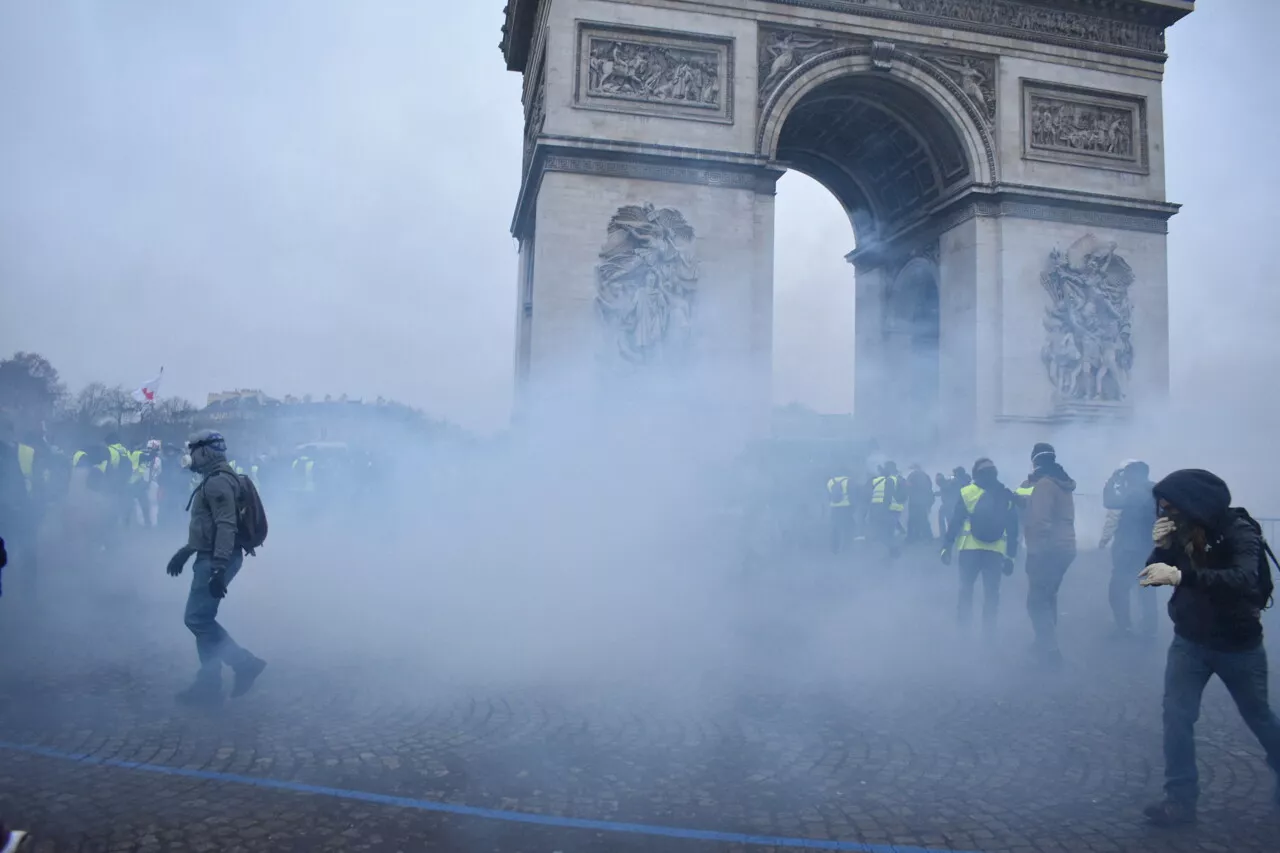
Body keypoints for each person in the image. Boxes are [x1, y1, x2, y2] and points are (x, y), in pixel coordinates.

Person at [1138, 469, 1280, 826]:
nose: (1165, 512)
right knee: (1176, 717)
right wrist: (1162, 548)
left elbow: (1244, 578)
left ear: (1192, 504)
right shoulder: (1181, 528)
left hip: (1237, 644)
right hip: (1190, 639)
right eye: (1161, 507)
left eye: (1170, 506)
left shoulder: (1239, 530)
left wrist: (1184, 576)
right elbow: (1152, 574)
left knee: (1259, 717)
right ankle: (1179, 801)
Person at [165, 430, 266, 706]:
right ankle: (208, 684)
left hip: (216, 558)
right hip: (211, 556)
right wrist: (185, 552)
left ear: (205, 452)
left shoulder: (217, 483)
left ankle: (244, 664)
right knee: (203, 619)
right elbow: (206, 526)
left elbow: (225, 526)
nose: (191, 457)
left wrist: (219, 568)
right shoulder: (216, 479)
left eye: (194, 450)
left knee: (197, 619)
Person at [939, 458, 1019, 636]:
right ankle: (989, 633)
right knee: (992, 594)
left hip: (969, 550)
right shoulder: (1006, 495)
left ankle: (963, 631)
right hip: (995, 552)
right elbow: (1013, 528)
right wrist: (1011, 557)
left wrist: (946, 546)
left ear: (976, 473)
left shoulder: (967, 492)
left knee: (965, 590)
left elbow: (956, 521)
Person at [1020, 442, 1076, 666]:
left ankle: (1050, 651)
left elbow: (1040, 521)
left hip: (1047, 549)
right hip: (1065, 548)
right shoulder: (1061, 482)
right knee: (1048, 596)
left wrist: (1035, 551)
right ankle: (1042, 641)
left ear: (1035, 461)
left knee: (1036, 601)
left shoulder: (1044, 485)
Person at [1103, 459, 1157, 640]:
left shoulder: (1135, 493)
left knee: (1117, 590)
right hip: (1149, 549)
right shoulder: (1156, 491)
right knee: (1147, 590)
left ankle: (1124, 628)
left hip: (1129, 550)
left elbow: (1109, 501)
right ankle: (1150, 628)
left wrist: (1111, 480)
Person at [904, 463, 935, 544]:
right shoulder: (926, 476)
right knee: (923, 519)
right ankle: (928, 537)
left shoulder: (912, 475)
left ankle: (911, 537)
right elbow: (929, 488)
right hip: (923, 501)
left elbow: (907, 485)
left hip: (914, 501)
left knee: (912, 519)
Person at [827, 471, 855, 554]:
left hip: (834, 509)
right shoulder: (849, 481)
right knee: (848, 528)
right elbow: (853, 495)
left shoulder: (830, 482)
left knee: (835, 528)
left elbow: (829, 496)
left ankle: (834, 548)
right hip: (846, 508)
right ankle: (847, 548)